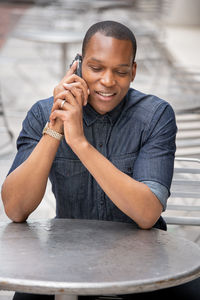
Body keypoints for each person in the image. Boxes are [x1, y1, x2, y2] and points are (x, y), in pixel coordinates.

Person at [1, 20, 199, 300]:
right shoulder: (42, 114)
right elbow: (15, 209)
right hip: (67, 257)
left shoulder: (155, 116)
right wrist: (55, 127)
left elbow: (146, 215)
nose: (107, 81)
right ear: (78, 66)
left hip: (145, 260)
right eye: (96, 68)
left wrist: (80, 143)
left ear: (133, 72)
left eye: (120, 71)